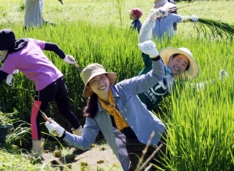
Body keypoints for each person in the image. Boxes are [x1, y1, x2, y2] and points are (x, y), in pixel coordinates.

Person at [45, 40, 169, 170]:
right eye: (94, 81)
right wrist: (62, 132)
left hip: (155, 134)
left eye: (102, 78)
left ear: (108, 79)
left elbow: (156, 75)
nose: (100, 83)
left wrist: (154, 55)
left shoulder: (125, 88)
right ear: (90, 88)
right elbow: (85, 143)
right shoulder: (94, 113)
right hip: (133, 146)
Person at [0, 28, 82, 157]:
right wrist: (65, 58)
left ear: (8, 45)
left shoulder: (11, 57)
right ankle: (81, 139)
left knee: (34, 119)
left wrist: (7, 70)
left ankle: (36, 153)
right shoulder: (29, 41)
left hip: (45, 85)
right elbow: (54, 46)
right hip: (59, 78)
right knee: (65, 110)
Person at [138, 6, 228, 111]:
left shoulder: (173, 84)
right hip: (126, 97)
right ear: (170, 58)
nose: (179, 65)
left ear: (184, 70)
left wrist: (218, 80)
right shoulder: (155, 62)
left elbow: (197, 87)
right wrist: (152, 18)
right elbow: (143, 39)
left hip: (138, 115)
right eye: (178, 60)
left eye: (184, 65)